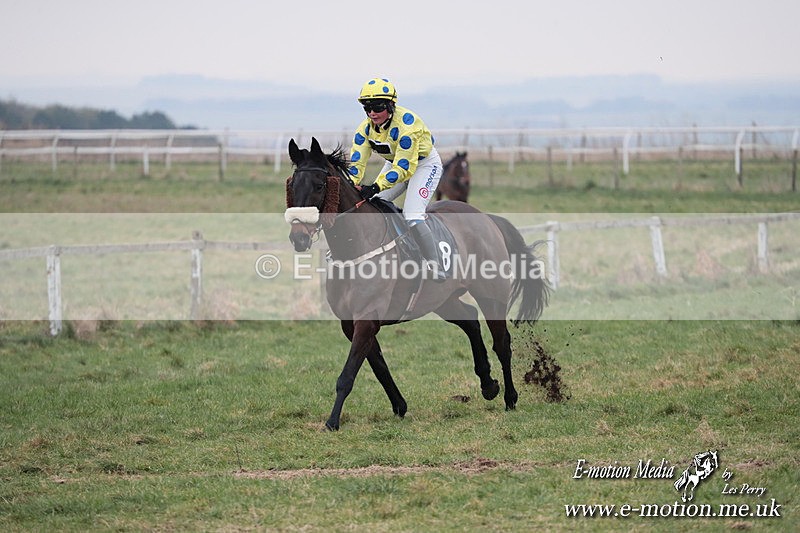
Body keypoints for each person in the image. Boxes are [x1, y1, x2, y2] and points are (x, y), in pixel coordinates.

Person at [348, 77, 446, 281]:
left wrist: (375, 186)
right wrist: (352, 184)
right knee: (371, 204)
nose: (372, 113)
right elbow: (357, 162)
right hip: (396, 163)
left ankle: (435, 264)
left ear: (391, 105)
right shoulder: (365, 129)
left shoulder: (408, 126)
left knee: (412, 214)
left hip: (423, 165)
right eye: (367, 107)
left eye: (377, 106)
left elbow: (405, 168)